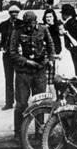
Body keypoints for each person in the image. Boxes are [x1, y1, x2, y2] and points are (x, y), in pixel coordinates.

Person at [9, 10, 55, 139]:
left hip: (39, 71)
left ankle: (39, 131)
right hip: (23, 72)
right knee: (21, 103)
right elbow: (12, 53)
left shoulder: (43, 29)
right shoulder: (17, 32)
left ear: (36, 22)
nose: (29, 27)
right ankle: (18, 132)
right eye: (27, 25)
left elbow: (51, 46)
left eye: (32, 24)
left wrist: (50, 60)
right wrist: (27, 62)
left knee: (40, 103)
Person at [0, 5, 23, 110]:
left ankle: (19, 102)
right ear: (9, 14)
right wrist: (0, 47)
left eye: (16, 13)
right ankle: (9, 102)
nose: (14, 15)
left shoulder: (21, 24)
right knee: (9, 79)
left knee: (19, 79)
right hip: (8, 54)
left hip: (18, 55)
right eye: (12, 13)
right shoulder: (4, 24)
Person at [60, 4, 77, 77]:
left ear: (65, 14)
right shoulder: (76, 22)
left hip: (72, 51)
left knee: (73, 72)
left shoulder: (69, 24)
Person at [42, 9, 62, 92]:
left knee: (54, 78)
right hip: (47, 55)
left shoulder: (57, 28)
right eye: (46, 17)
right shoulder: (43, 28)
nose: (48, 18)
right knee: (47, 78)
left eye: (50, 16)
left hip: (55, 55)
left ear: (54, 17)